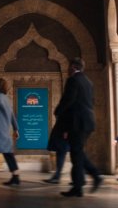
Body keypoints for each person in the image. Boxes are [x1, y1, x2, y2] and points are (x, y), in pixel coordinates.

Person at [56, 57, 103, 197]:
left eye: (69, 66)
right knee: (77, 153)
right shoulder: (88, 82)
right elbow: (90, 102)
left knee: (77, 153)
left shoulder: (73, 80)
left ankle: (94, 176)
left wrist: (57, 111)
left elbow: (68, 100)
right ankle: (79, 185)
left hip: (77, 122)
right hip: (87, 122)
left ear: (73, 67)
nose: (67, 69)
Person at [42, 119, 69, 184]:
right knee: (59, 153)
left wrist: (66, 131)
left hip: (63, 132)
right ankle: (56, 177)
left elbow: (68, 118)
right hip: (60, 131)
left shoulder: (67, 109)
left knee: (61, 153)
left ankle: (57, 177)